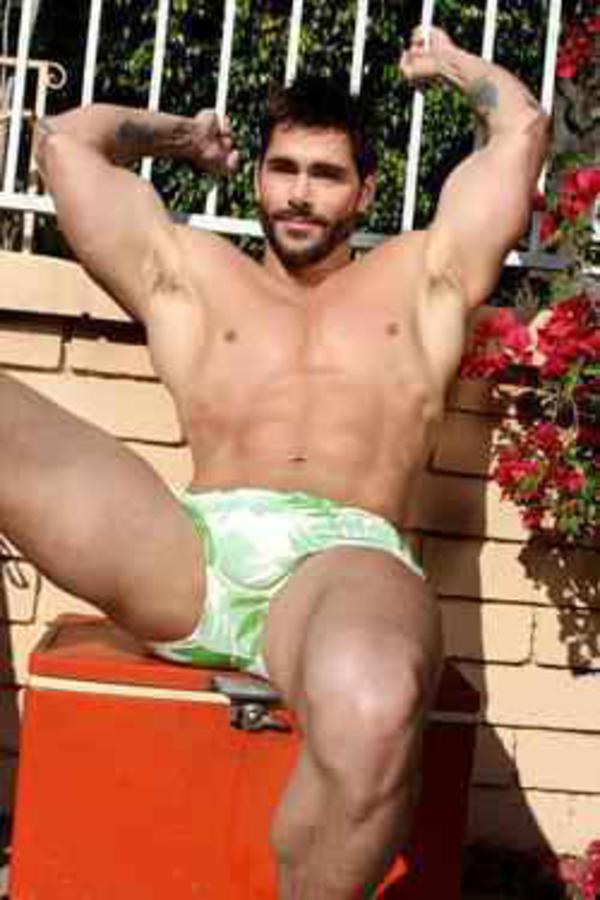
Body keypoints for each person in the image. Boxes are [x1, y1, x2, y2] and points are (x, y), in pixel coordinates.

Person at [3, 25, 548, 900]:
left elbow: (520, 128)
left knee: (373, 705)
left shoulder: (427, 277)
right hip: (187, 552)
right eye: (282, 169)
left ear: (366, 191)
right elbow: (67, 142)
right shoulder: (188, 272)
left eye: (326, 175)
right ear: (257, 176)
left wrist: (450, 62)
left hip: (344, 564)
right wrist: (186, 136)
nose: (299, 194)